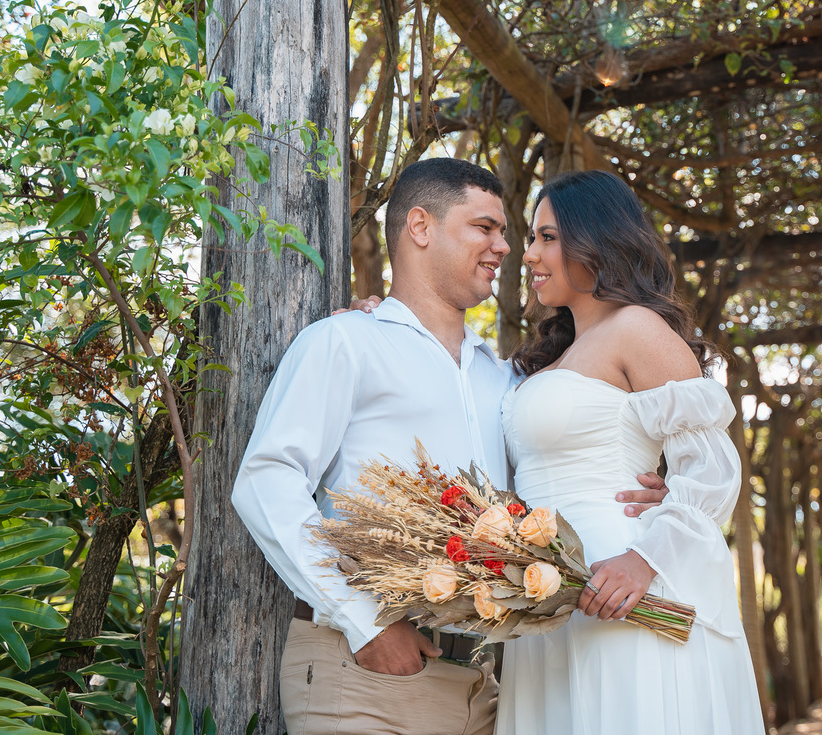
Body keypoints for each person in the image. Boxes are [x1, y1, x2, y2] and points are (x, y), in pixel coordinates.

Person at [231, 158, 668, 735]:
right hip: (368, 672)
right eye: (484, 228)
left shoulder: (509, 379)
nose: (506, 247)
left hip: (492, 691)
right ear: (420, 227)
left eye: (506, 233)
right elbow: (266, 480)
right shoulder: (344, 342)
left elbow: (557, 466)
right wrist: (366, 623)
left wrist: (651, 492)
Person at [495, 170, 765, 735]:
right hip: (550, 596)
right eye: (532, 238)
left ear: (595, 240)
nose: (529, 255)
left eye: (547, 237)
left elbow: (712, 468)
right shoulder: (554, 355)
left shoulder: (637, 329)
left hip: (621, 583)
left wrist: (644, 562)